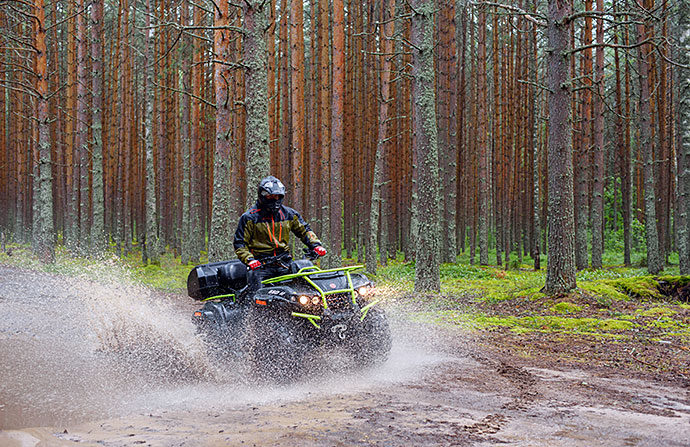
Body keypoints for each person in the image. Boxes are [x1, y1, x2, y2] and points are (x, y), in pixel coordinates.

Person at [234, 175, 327, 291]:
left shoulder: (289, 214)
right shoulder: (249, 217)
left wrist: (316, 245)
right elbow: (240, 244)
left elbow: (304, 230)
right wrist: (250, 260)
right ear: (262, 196)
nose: (274, 199)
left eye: (277, 196)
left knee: (308, 283)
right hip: (261, 265)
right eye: (271, 196)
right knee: (256, 293)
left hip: (284, 263)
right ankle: (252, 303)